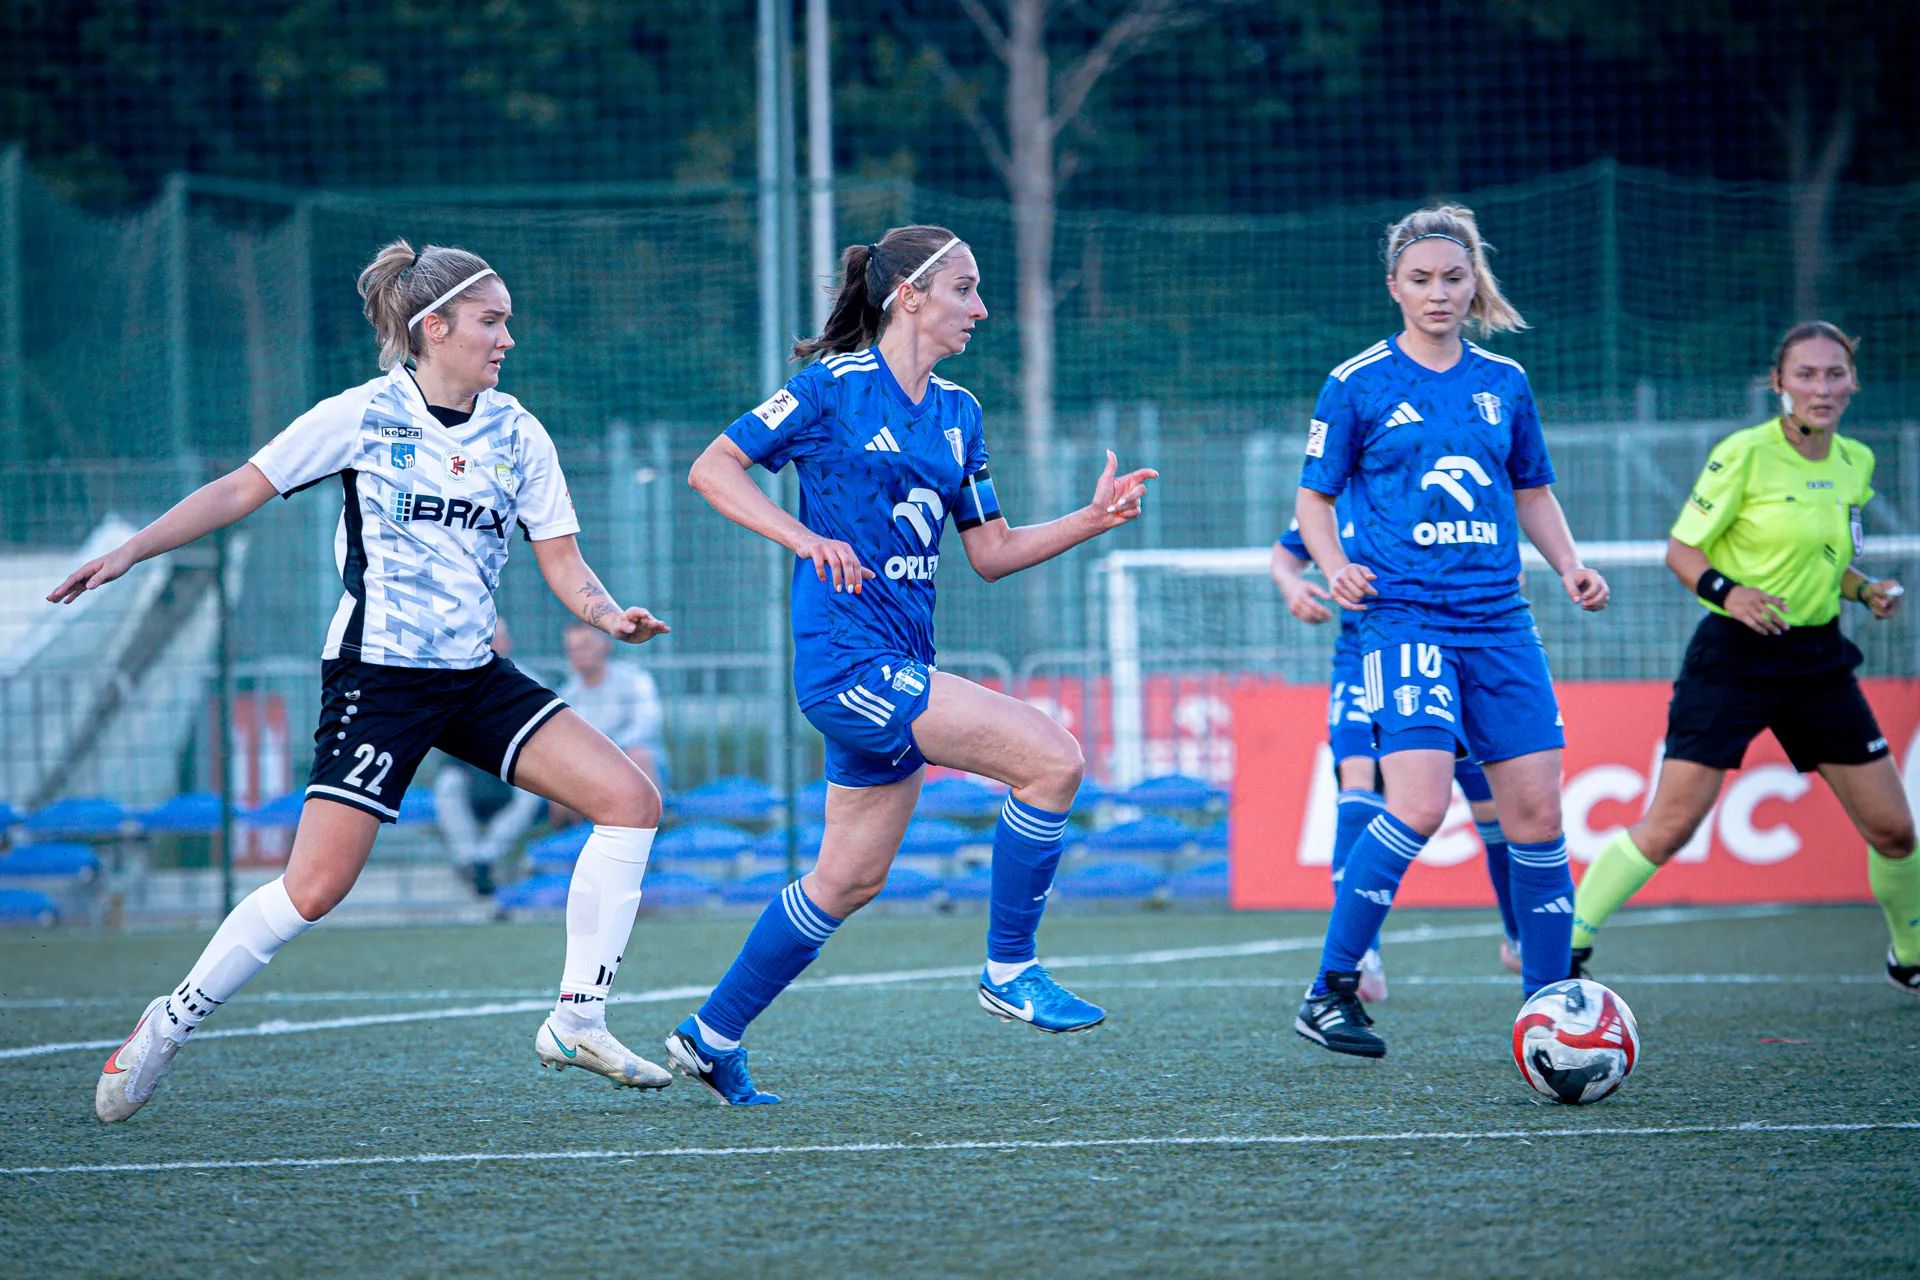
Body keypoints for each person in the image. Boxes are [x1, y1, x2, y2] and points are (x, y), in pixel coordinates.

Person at [63, 240, 677, 1122]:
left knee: (629, 799)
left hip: (473, 676)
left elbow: (563, 560)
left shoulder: (519, 432)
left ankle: (578, 1021)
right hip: (378, 679)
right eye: (492, 321)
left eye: (506, 322)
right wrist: (131, 550)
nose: (507, 338)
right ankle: (170, 1021)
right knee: (314, 889)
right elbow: (240, 489)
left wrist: (608, 615)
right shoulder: (363, 414)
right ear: (435, 327)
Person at [665, 224, 1155, 1103]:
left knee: (848, 879)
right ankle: (1011, 970)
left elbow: (991, 551)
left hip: (897, 660)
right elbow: (712, 469)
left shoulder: (960, 413)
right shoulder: (831, 388)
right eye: (965, 289)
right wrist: (805, 538)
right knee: (1053, 759)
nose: (982, 308)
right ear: (910, 295)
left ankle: (710, 1035)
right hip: (846, 661)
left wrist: (1091, 520)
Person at [1291, 204, 1609, 1059]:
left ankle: (1550, 1011)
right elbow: (1312, 502)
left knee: (1537, 813)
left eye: (1453, 278)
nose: (1438, 293)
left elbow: (1531, 489)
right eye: (1421, 279)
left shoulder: (1505, 381)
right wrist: (1333, 566)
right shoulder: (1356, 382)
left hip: (1500, 620)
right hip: (1404, 619)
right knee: (1421, 804)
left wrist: (1570, 565)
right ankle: (1331, 990)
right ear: (1394, 287)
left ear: (1475, 286)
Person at [1570, 322, 1917, 991]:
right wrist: (1730, 594)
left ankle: (1911, 958)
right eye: (1806, 374)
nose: (1822, 387)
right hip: (1734, 658)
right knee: (1669, 827)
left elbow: (1827, 560)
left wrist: (1863, 589)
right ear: (1779, 383)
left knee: (1895, 831)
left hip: (1818, 662)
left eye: (1835, 373)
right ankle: (1566, 945)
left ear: (1853, 382)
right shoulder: (1745, 454)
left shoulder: (1856, 462)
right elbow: (1682, 551)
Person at [1272, 509, 1524, 1001]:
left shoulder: (1443, 494)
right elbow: (1285, 555)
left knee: (1494, 810)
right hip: (1364, 659)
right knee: (1357, 791)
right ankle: (1360, 956)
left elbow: (1507, 567)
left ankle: (1519, 939)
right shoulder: (1334, 500)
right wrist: (1291, 586)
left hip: (1456, 656)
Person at [432, 619, 546, 897]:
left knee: (531, 793)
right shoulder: (455, 679)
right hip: (471, 768)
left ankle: (484, 859)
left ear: (508, 643)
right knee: (447, 784)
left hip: (517, 767)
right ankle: (470, 860)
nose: (489, 644)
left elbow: (540, 740)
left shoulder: (531, 681)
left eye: (494, 638)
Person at [557, 621, 669, 797]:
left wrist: (607, 753)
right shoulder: (567, 693)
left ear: (605, 645)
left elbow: (645, 726)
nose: (578, 653)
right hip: (589, 762)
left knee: (639, 754)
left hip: (630, 757)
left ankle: (650, 812)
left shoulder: (635, 680)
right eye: (572, 648)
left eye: (585, 645)